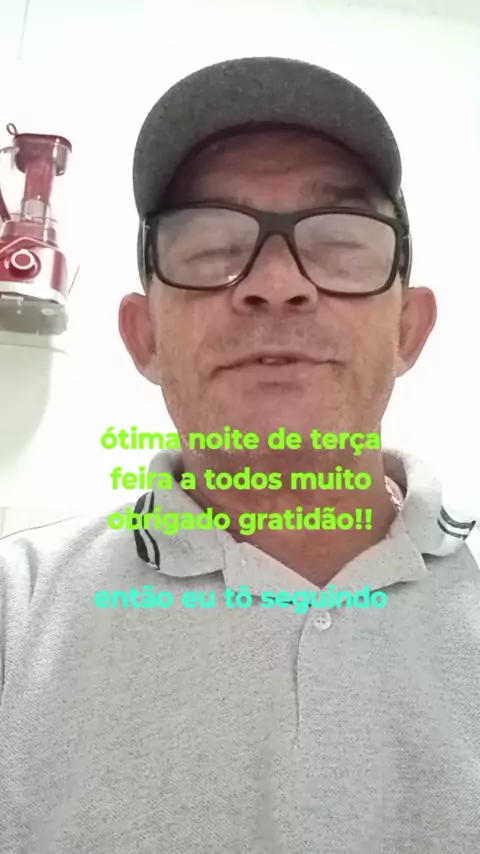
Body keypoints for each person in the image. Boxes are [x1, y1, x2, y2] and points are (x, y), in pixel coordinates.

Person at [0, 56, 479, 854]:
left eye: (338, 243)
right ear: (144, 337)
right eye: (212, 244)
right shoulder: (16, 616)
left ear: (408, 329)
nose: (277, 284)